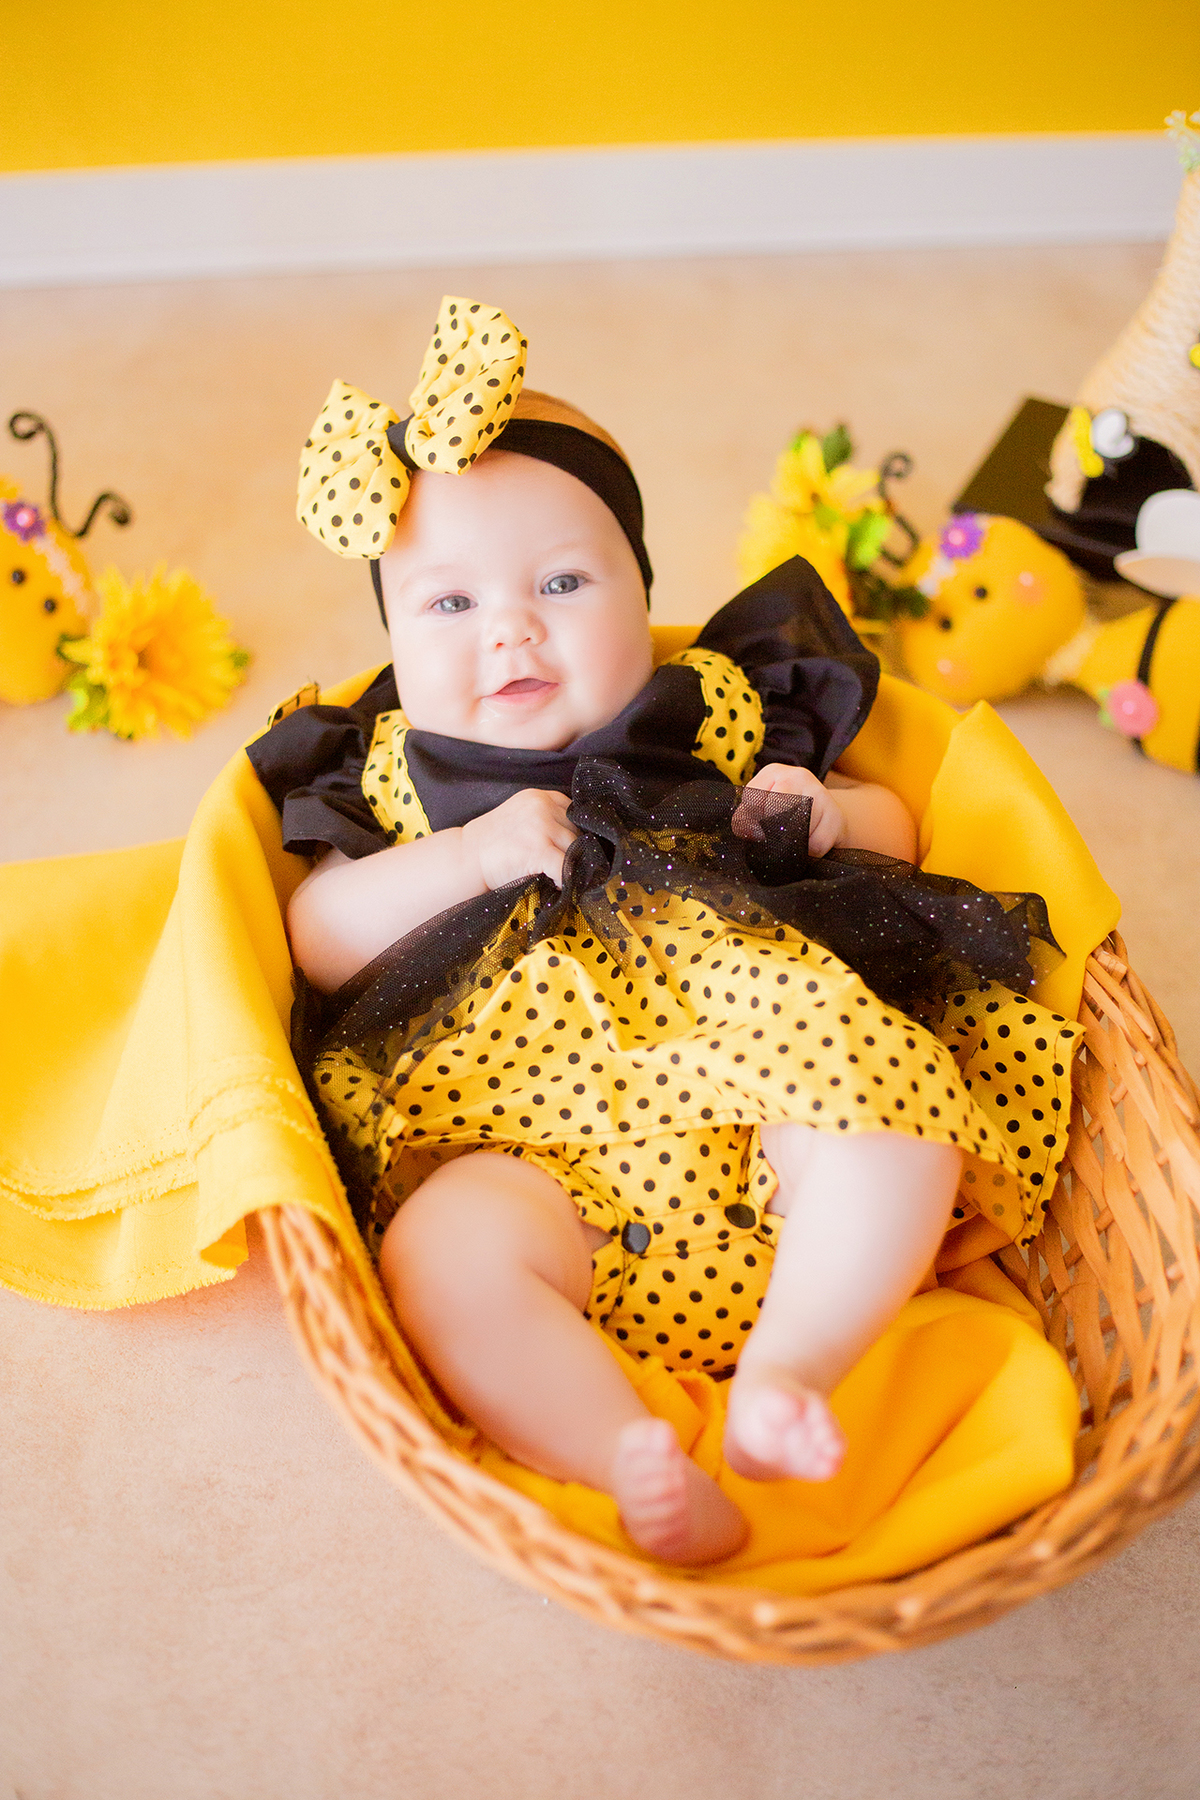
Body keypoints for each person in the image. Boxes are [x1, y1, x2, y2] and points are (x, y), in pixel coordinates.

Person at [249, 298, 1076, 1566]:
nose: (510, 629)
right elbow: (316, 934)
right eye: (448, 605)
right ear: (393, 643)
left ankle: (789, 1375)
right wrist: (465, 859)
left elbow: (902, 831)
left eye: (563, 582)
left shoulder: (719, 707)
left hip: (767, 1101)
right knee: (440, 1255)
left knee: (901, 1116)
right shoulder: (394, 781)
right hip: (529, 1158)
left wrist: (825, 812)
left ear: (647, 590)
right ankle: (621, 1450)